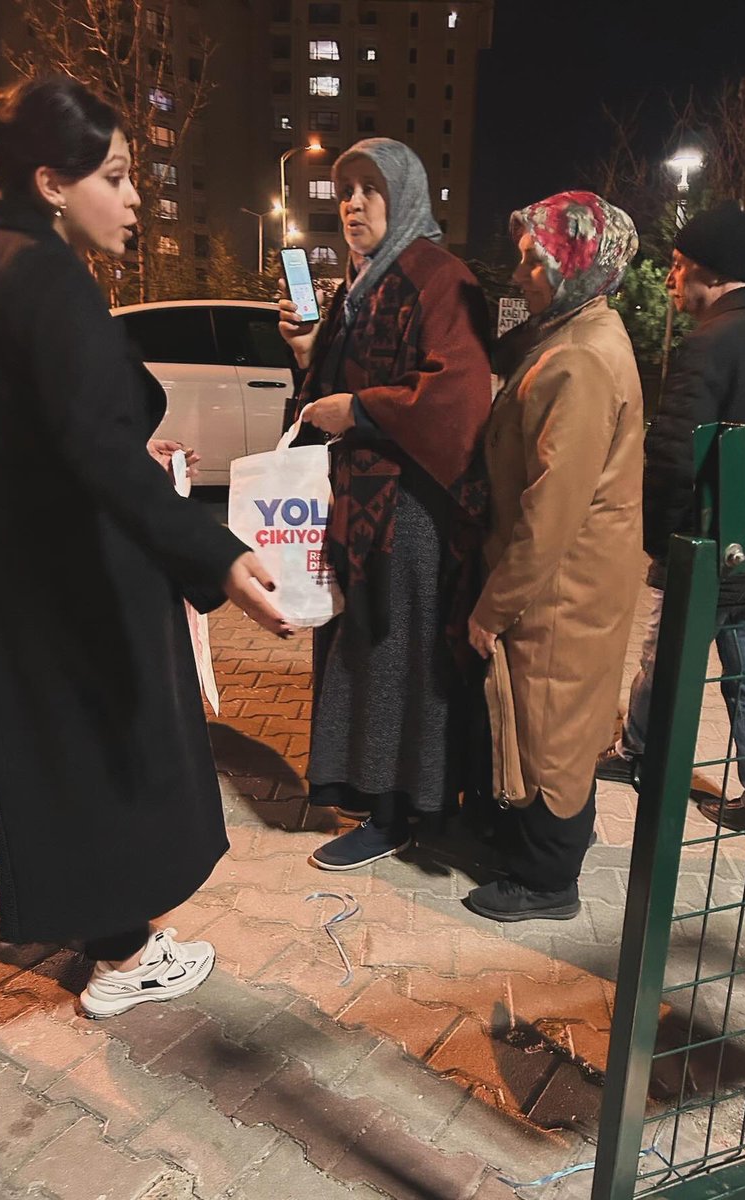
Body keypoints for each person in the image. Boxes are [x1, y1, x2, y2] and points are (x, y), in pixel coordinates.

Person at [0, 77, 291, 1018]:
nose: (135, 197)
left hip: (23, 567)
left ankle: (102, 930)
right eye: (119, 175)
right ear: (52, 181)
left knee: (62, 754)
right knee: (108, 753)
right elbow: (94, 451)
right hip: (71, 576)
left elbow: (47, 433)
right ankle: (125, 957)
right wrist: (217, 556)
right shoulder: (42, 280)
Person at [278, 137, 492, 870]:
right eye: (345, 191)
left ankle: (399, 813)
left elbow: (457, 395)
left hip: (410, 516)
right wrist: (310, 353)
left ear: (404, 195)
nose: (354, 203)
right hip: (360, 508)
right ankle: (376, 798)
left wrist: (360, 412)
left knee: (396, 663)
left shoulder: (437, 275)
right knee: (363, 659)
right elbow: (329, 391)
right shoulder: (362, 281)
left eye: (371, 188)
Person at [595, 201, 745, 846]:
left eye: (675, 267)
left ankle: (643, 756)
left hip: (715, 548)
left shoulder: (709, 345)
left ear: (705, 270)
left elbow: (672, 457)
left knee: (667, 654)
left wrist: (666, 546)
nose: (669, 282)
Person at [463, 191, 643, 922]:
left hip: (559, 584)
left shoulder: (579, 359)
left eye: (535, 260)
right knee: (560, 716)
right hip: (573, 576)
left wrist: (492, 606)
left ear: (575, 266)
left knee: (547, 721)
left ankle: (546, 881)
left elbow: (550, 507)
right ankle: (550, 848)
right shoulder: (576, 336)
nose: (519, 274)